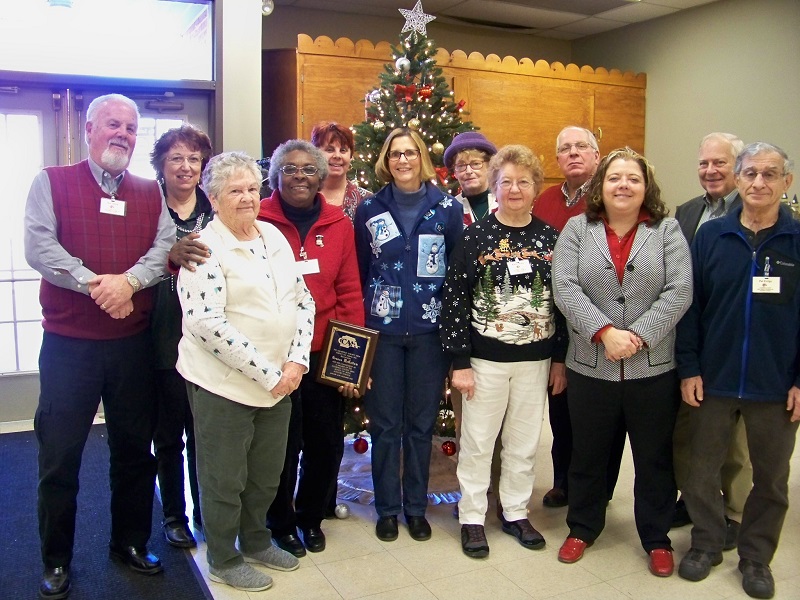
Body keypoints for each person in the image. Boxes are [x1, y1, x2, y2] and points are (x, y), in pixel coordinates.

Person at [24, 93, 174, 600]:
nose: (123, 134)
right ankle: (56, 559)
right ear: (89, 128)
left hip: (131, 346)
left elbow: (163, 249)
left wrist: (127, 284)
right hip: (70, 346)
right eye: (112, 124)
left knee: (135, 451)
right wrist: (96, 284)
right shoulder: (51, 181)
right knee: (60, 454)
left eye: (130, 128)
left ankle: (128, 542)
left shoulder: (149, 191)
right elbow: (40, 247)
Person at [176, 151, 315, 592]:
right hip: (224, 385)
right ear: (213, 198)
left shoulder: (273, 236)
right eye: (235, 190)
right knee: (224, 477)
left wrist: (296, 362)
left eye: (253, 188)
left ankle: (256, 539)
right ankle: (223, 555)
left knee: (266, 473)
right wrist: (269, 373)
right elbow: (206, 325)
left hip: (279, 382)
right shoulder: (204, 248)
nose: (247, 198)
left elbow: (304, 300)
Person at [552, 147, 692, 577]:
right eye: (614, 178)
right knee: (589, 453)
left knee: (653, 458)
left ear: (646, 186)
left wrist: (638, 337)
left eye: (633, 178)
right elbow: (565, 286)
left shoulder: (666, 230)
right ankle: (583, 526)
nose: (623, 185)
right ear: (601, 185)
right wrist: (605, 332)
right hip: (591, 367)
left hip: (653, 370)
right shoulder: (578, 228)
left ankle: (655, 537)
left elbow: (679, 291)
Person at [676, 142, 799, 600]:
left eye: (771, 174)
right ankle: (706, 543)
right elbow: (691, 310)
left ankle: (756, 557)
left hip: (776, 385)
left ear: (787, 182)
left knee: (771, 477)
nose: (759, 183)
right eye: (751, 174)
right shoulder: (711, 237)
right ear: (738, 180)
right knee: (701, 468)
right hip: (715, 378)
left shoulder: (796, 240)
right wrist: (689, 368)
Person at [441, 144, 567, 558]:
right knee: (478, 441)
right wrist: (459, 363)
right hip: (485, 361)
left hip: (536, 360)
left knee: (524, 441)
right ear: (494, 187)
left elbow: (563, 300)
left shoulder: (551, 238)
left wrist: (561, 359)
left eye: (523, 182)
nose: (514, 189)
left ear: (535, 188)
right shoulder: (474, 236)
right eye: (506, 181)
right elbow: (455, 299)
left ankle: (515, 511)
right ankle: (472, 517)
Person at [354, 127, 463, 543]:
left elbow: (455, 277)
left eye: (410, 153)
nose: (403, 160)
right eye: (395, 153)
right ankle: (387, 509)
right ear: (386, 159)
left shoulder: (447, 208)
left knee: (420, 425)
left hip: (428, 334)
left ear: (422, 157)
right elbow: (363, 271)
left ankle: (415, 509)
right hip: (382, 332)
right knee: (384, 426)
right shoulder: (369, 209)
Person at [259, 139, 364, 557]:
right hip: (277, 353)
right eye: (290, 168)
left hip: (324, 351)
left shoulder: (340, 225)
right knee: (281, 444)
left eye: (307, 169)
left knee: (324, 442)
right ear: (276, 175)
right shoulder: (259, 221)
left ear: (320, 176)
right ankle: (280, 521)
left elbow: (350, 292)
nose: (299, 176)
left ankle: (311, 517)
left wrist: (351, 362)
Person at [532, 126, 626, 509]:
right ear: (556, 159)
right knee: (561, 408)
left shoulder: (609, 197)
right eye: (565, 149)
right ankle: (562, 482)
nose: (573, 154)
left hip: (602, 319)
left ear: (597, 154)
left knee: (602, 417)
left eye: (581, 147)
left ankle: (599, 490)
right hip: (555, 318)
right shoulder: (546, 199)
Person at [672, 132, 749, 547]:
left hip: (736, 339)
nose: (710, 170)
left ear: (738, 168)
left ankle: (733, 511)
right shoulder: (686, 213)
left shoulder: (754, 211)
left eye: (720, 163)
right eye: (704, 163)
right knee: (689, 429)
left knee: (735, 439)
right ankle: (696, 500)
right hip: (691, 333)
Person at [148, 124, 214, 549]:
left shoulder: (217, 209)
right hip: (161, 335)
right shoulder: (146, 207)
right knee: (169, 433)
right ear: (161, 165)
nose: (186, 167)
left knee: (204, 433)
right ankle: (174, 514)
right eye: (176, 158)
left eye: (193, 158)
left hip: (210, 338)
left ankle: (206, 510)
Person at [442, 131, 502, 520]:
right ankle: (472, 497)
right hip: (466, 328)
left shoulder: (507, 203)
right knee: (471, 425)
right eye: (460, 164)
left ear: (491, 166)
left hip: (508, 329)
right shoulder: (448, 210)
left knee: (508, 424)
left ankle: (503, 495)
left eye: (476, 162)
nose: (468, 170)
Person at [310, 121, 372, 222]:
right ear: (315, 155)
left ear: (351, 156)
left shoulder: (366, 200)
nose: (337, 156)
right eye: (330, 150)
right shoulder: (305, 197)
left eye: (343, 150)